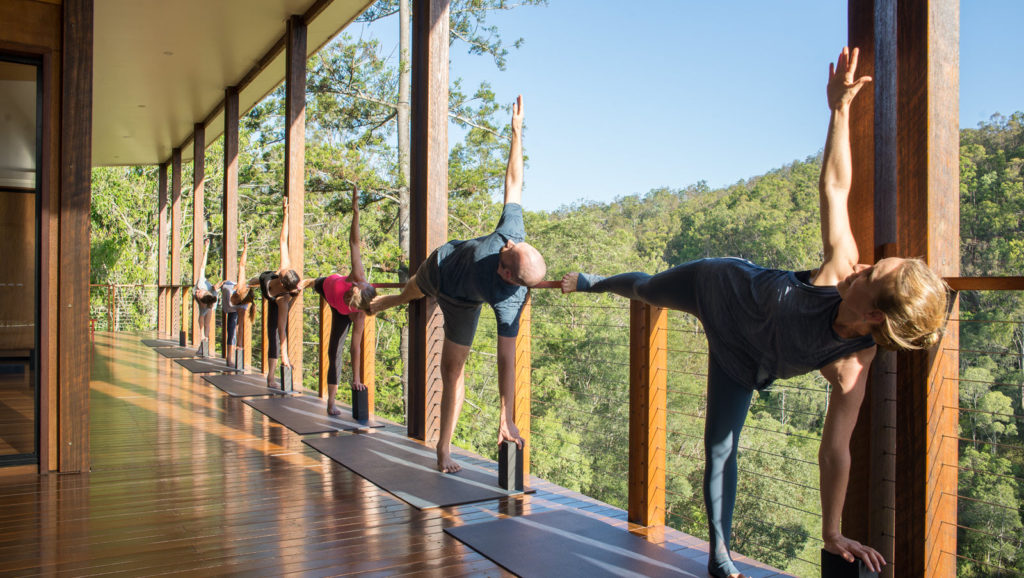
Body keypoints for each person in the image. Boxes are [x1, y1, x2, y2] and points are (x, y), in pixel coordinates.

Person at [560, 48, 948, 578]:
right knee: (648, 290)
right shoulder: (838, 268)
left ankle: (719, 557)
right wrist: (839, 110)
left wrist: (832, 532)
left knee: (720, 449)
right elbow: (835, 187)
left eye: (871, 275)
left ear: (876, 318)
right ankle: (593, 283)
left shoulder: (852, 363)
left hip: (739, 360)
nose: (862, 265)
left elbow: (836, 451)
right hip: (718, 285)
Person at [371, 95, 547, 473]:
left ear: (506, 275)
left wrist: (505, 414)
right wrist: (516, 132)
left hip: (461, 303)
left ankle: (443, 448)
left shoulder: (508, 301)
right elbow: (514, 182)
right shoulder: (511, 233)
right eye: (512, 244)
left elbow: (505, 359)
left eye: (507, 252)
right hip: (440, 263)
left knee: (452, 371)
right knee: (411, 292)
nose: (508, 244)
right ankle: (389, 300)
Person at [298, 185, 376, 416]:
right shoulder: (357, 275)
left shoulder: (358, 315)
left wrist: (357, 379)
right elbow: (354, 243)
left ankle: (331, 403)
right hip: (326, 285)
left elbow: (355, 347)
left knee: (335, 351)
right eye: (365, 284)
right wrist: (356, 212)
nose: (365, 281)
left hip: (336, 308)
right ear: (359, 285)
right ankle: (308, 281)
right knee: (314, 283)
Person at [248, 197, 302, 389]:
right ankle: (249, 284)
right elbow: (283, 239)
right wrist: (285, 213)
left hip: (273, 299)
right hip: (264, 281)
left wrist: (284, 355)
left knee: (273, 334)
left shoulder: (283, 299)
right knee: (254, 281)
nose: (285, 269)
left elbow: (282, 329)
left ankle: (270, 377)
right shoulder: (282, 269)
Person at [214, 241, 254, 366]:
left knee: (233, 328)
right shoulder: (239, 286)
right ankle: (230, 356)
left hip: (231, 309)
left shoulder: (242, 307)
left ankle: (230, 358)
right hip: (226, 288)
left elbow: (241, 327)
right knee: (232, 326)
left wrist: (240, 346)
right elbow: (242, 265)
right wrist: (245, 247)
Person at [192, 238, 217, 357]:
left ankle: (204, 346)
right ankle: (202, 344)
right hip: (209, 297)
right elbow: (202, 267)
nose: (197, 292)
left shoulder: (208, 301)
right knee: (201, 323)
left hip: (211, 301)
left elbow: (203, 320)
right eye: (198, 292)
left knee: (207, 324)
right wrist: (206, 250)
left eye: (198, 293)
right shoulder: (201, 284)